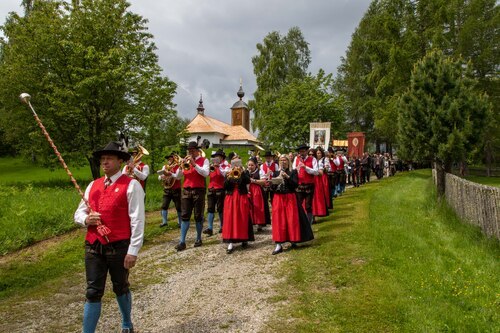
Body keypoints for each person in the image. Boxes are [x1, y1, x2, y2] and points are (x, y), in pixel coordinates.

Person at [74, 141, 145, 333]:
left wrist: (133, 251)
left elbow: (137, 221)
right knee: (93, 291)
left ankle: (127, 323)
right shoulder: (93, 185)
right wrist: (86, 219)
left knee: (120, 286)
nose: (104, 162)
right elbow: (78, 214)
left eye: (109, 158)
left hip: (119, 245)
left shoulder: (132, 186)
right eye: (102, 159)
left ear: (119, 161)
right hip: (93, 245)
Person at [271, 154, 314, 254]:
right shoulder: (275, 172)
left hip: (290, 197)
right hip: (278, 198)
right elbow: (272, 188)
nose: (283, 162)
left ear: (288, 161)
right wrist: (276, 180)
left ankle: (293, 239)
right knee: (279, 220)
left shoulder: (293, 172)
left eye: (285, 160)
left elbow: (295, 185)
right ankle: (278, 244)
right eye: (281, 160)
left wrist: (287, 177)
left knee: (291, 219)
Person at [175, 141, 209, 251]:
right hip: (186, 190)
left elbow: (205, 173)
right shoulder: (186, 162)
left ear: (197, 151)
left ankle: (198, 238)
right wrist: (181, 167)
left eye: (192, 151)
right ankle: (182, 242)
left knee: (198, 216)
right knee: (185, 216)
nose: (190, 153)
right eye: (189, 151)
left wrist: (194, 164)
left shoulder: (204, 160)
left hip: (198, 190)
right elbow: (178, 177)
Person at [223, 156, 254, 253]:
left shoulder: (244, 172)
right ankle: (230, 242)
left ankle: (244, 239)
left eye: (237, 161)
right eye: (234, 161)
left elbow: (248, 181)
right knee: (230, 218)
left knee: (242, 217)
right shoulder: (228, 172)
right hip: (231, 197)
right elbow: (225, 186)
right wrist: (228, 177)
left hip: (241, 196)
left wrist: (242, 172)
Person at [203, 149, 228, 236]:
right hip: (211, 189)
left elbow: (225, 174)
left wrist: (218, 167)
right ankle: (210, 228)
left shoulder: (225, 166)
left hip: (220, 189)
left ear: (222, 158)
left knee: (220, 209)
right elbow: (206, 174)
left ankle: (223, 226)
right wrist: (211, 167)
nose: (217, 158)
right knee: (210, 209)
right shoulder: (211, 165)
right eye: (216, 157)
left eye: (219, 157)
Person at [292, 144, 319, 224]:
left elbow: (316, 172)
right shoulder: (296, 159)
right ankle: (300, 222)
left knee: (308, 206)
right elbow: (293, 171)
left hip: (309, 185)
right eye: (300, 152)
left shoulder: (312, 159)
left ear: (307, 151)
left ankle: (309, 223)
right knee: (298, 205)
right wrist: (296, 170)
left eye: (303, 151)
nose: (302, 153)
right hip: (299, 185)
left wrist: (305, 167)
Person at [158, 152, 182, 228]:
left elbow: (178, 177)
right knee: (164, 206)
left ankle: (180, 222)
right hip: (167, 189)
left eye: (171, 158)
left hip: (176, 189)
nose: (169, 159)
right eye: (168, 158)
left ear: (174, 159)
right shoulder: (165, 166)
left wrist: (170, 174)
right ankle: (164, 222)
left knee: (178, 207)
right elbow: (159, 177)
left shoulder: (178, 166)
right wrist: (162, 177)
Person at [247, 157, 269, 231]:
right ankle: (251, 222)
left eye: (252, 165)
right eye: (249, 165)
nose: (250, 167)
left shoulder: (260, 171)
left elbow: (263, 181)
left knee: (258, 206)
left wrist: (253, 180)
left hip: (257, 190)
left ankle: (260, 223)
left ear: (256, 165)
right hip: (248, 190)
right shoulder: (246, 172)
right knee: (249, 206)